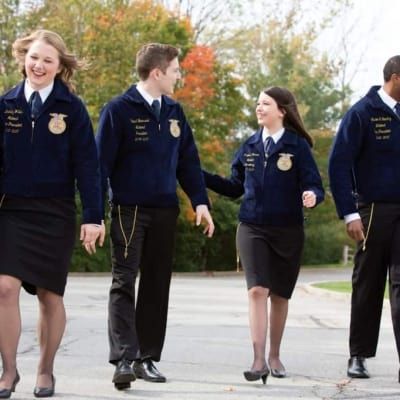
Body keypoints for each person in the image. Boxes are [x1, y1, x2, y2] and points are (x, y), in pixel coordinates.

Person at [96, 43, 214, 390]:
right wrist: (96, 214)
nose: (179, 76)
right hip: (128, 211)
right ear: (157, 72)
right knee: (123, 282)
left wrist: (200, 202)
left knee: (156, 285)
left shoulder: (175, 112)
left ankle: (147, 358)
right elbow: (100, 166)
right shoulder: (118, 110)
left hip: (165, 210)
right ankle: (123, 359)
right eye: (176, 70)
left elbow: (188, 162)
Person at [0, 29, 104, 399]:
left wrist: (93, 215)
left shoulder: (71, 109)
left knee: (49, 295)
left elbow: (87, 167)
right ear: (22, 57)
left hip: (55, 212)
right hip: (11, 210)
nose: (38, 65)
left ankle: (45, 370)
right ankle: (9, 372)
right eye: (33, 57)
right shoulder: (6, 103)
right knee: (4, 287)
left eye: (48, 60)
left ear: (60, 67)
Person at [203, 86, 324, 384]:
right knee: (257, 290)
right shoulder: (249, 146)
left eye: (265, 104)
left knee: (280, 296)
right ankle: (258, 360)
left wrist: (311, 195)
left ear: (282, 110)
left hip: (288, 230)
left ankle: (275, 355)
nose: (259, 108)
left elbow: (315, 185)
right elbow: (234, 187)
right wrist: (199, 175)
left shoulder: (297, 147)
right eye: (257, 103)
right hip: (252, 227)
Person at [329, 55, 400, 382]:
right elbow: (338, 165)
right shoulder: (362, 113)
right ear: (395, 78)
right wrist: (349, 212)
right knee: (368, 285)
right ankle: (358, 355)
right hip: (372, 212)